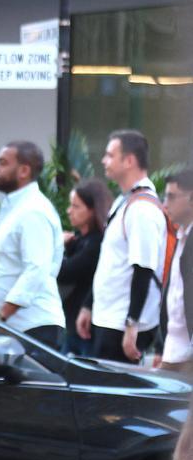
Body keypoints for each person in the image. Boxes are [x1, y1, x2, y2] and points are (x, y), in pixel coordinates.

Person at [76, 130, 165, 363]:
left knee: (115, 386)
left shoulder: (142, 209)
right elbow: (110, 262)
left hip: (122, 326)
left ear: (129, 161)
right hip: (109, 319)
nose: (103, 161)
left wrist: (131, 325)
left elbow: (143, 269)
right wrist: (89, 305)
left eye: (110, 155)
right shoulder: (123, 201)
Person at [0, 140, 65, 348]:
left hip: (34, 327)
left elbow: (36, 268)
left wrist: (2, 315)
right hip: (15, 328)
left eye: (3, 163)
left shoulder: (33, 211)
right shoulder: (16, 207)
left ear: (24, 171)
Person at [58, 178, 110, 355]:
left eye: (76, 206)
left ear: (92, 210)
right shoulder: (79, 240)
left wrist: (59, 248)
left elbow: (64, 272)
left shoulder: (97, 243)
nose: (69, 211)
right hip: (72, 325)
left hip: (87, 329)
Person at [152, 169, 193, 377]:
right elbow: (174, 297)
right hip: (173, 350)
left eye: (171, 197)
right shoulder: (180, 236)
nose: (164, 204)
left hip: (187, 355)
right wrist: (162, 347)